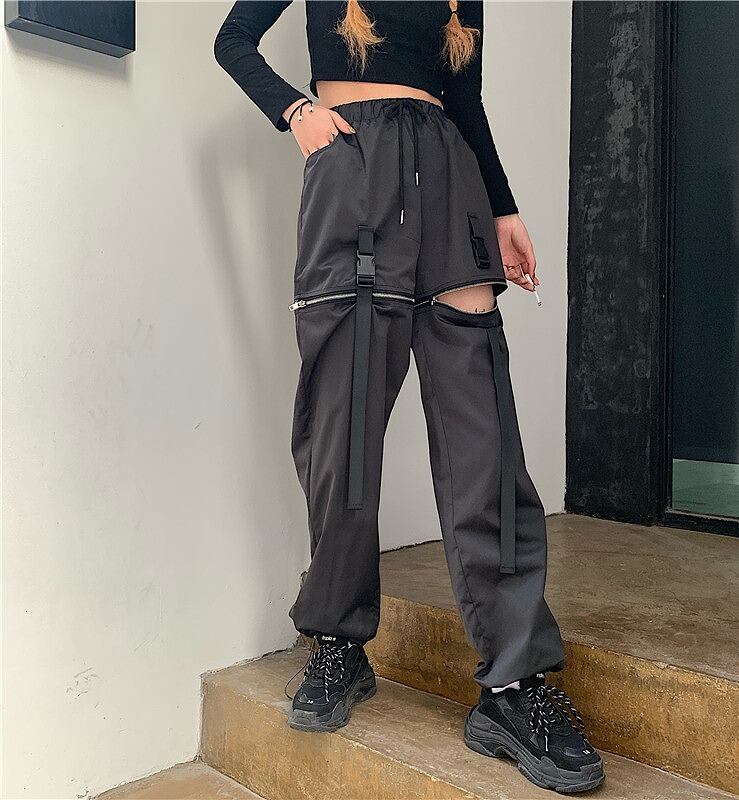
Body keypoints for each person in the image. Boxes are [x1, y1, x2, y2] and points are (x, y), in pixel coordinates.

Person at [214, 1, 604, 792]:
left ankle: (513, 682)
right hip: (354, 169)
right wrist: (296, 112)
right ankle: (338, 642)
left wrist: (504, 208)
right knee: (346, 428)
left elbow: (467, 99)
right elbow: (233, 40)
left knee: (484, 437)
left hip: (451, 180)